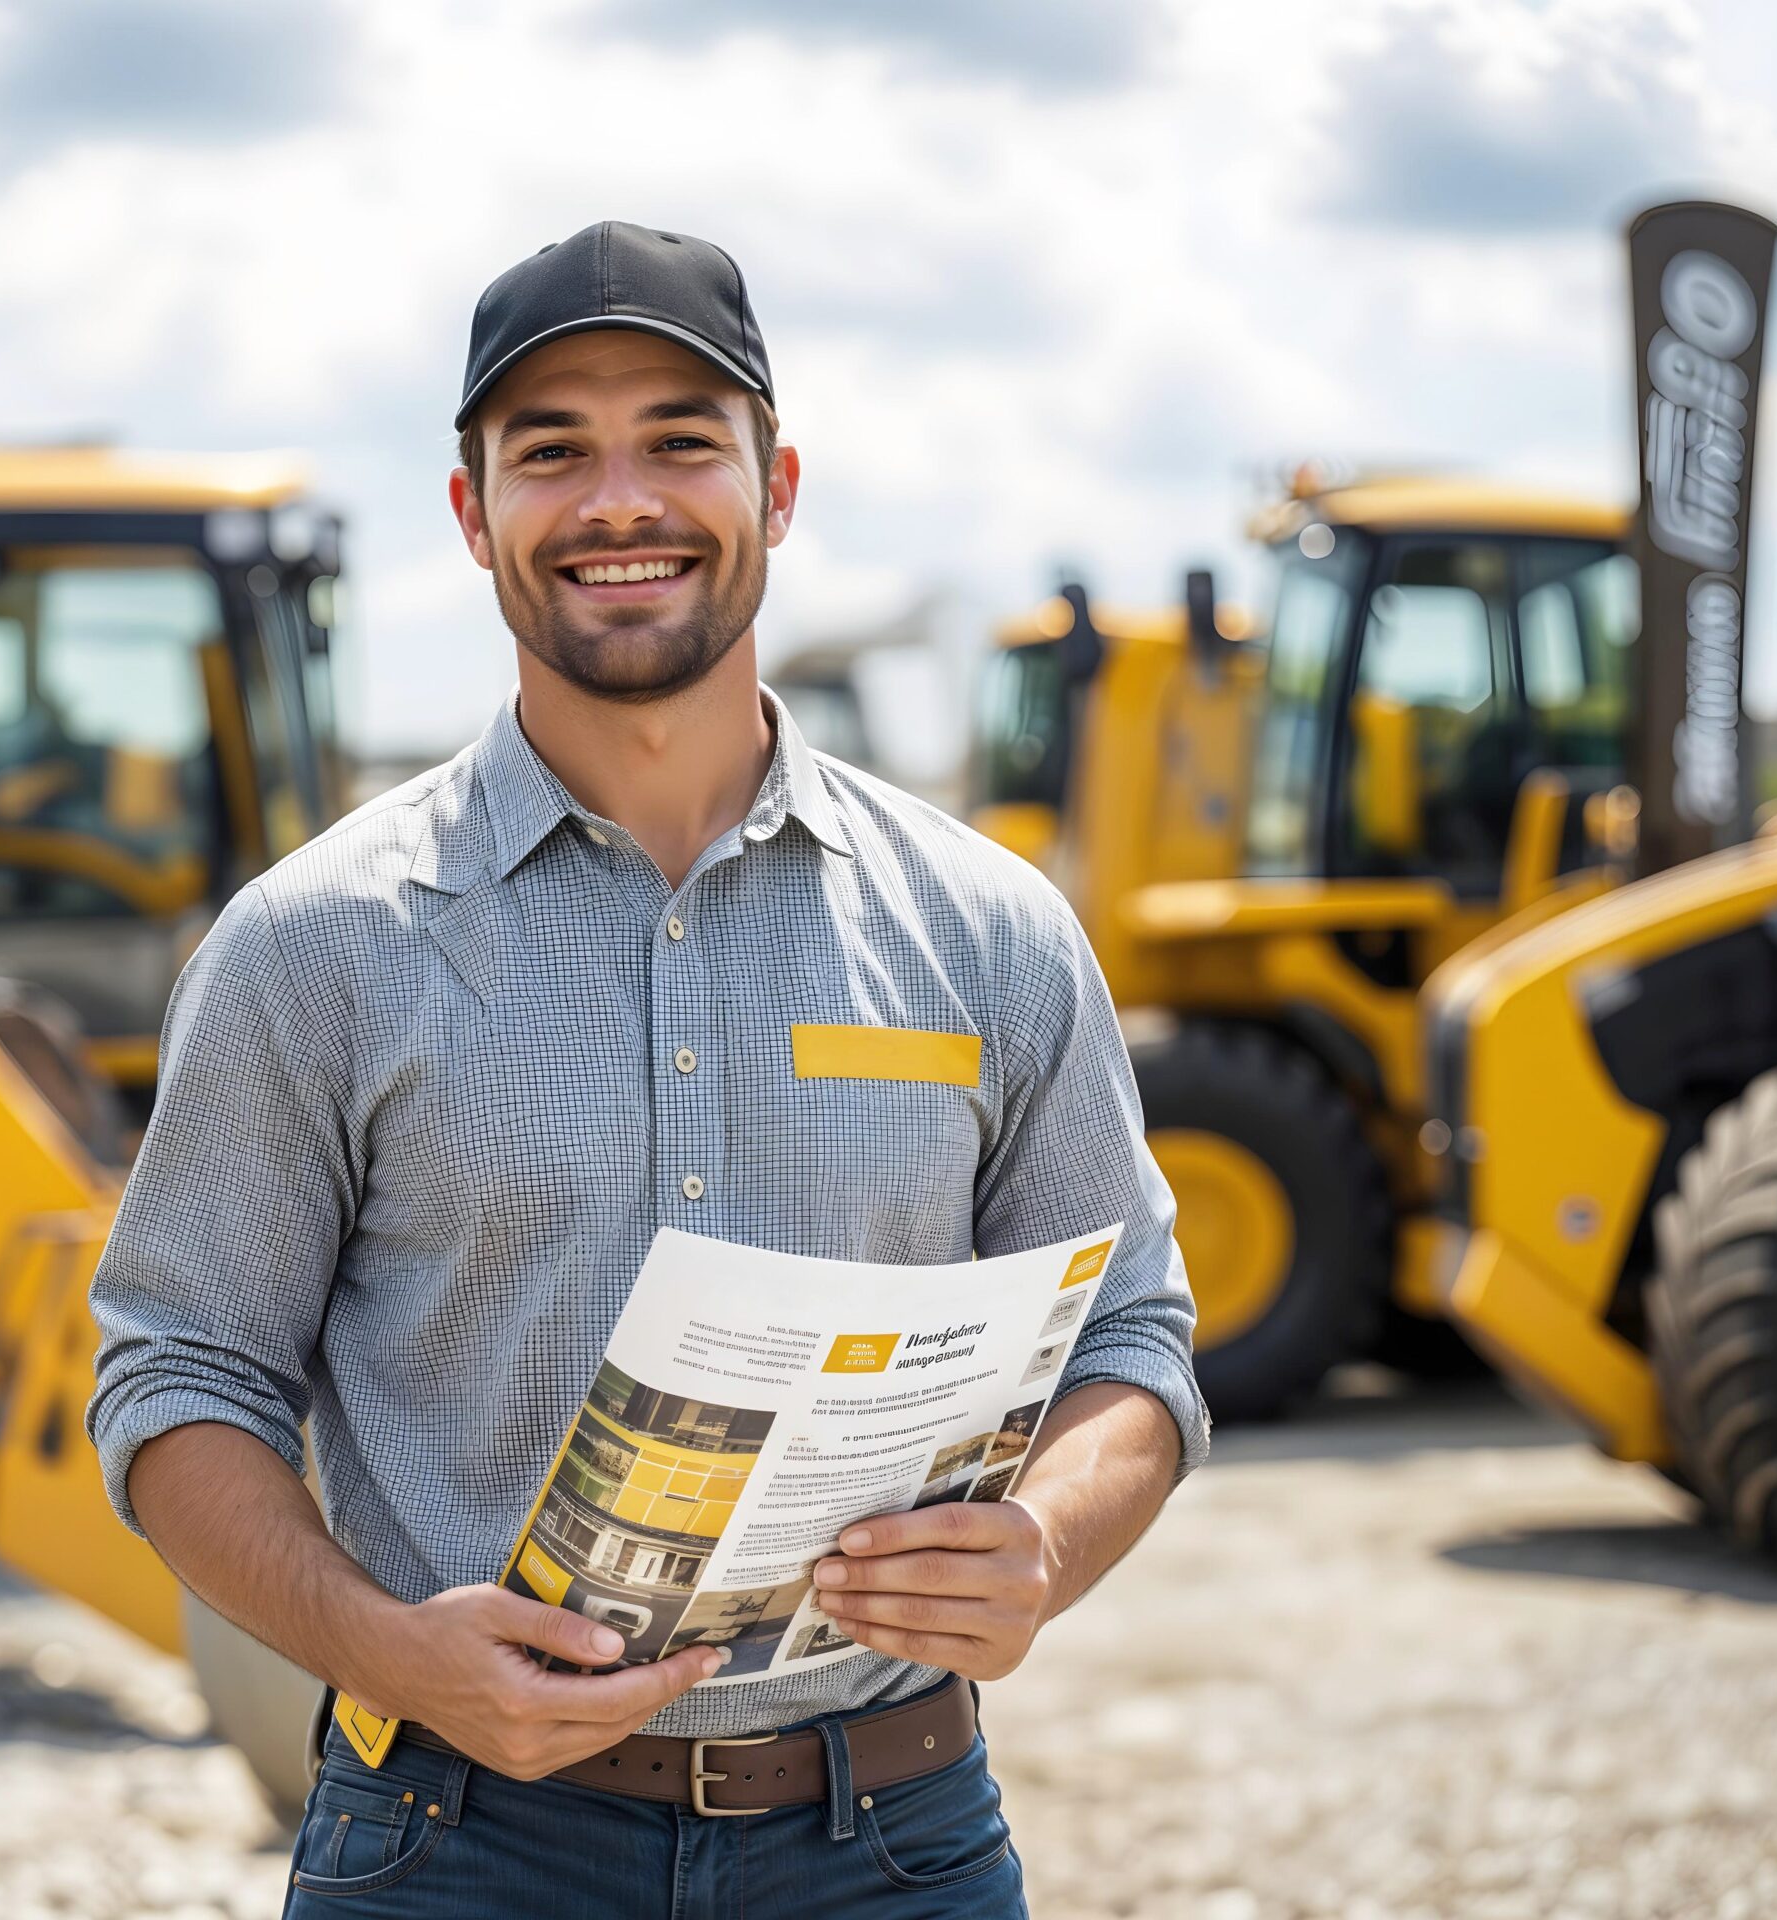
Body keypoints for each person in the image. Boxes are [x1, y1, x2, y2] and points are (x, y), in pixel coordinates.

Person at [87, 219, 1208, 1918]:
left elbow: (1135, 1336)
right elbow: (176, 1379)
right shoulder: (310, 947)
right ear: (472, 514)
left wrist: (1044, 1543)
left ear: (779, 483)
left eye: (683, 441)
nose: (623, 501)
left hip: (889, 1840)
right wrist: (393, 1653)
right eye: (554, 453)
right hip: (455, 1846)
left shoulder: (990, 931)